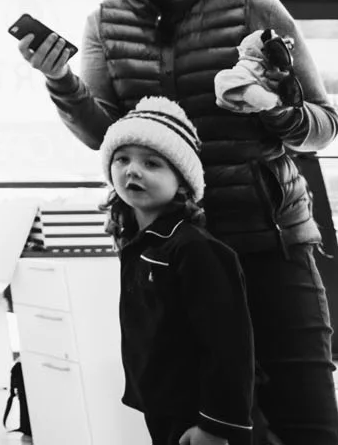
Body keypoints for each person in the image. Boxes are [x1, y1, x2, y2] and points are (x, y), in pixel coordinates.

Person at [20, 0, 338, 444]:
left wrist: (270, 105)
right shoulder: (104, 22)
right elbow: (105, 135)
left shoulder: (253, 6)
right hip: (170, 251)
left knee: (303, 420)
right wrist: (61, 81)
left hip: (267, 244)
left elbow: (323, 126)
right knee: (188, 421)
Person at [101, 96, 258, 445]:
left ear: (183, 182)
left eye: (152, 163)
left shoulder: (195, 248)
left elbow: (228, 346)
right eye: (122, 159)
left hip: (198, 415)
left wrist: (217, 426)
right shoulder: (140, 243)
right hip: (162, 406)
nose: (132, 170)